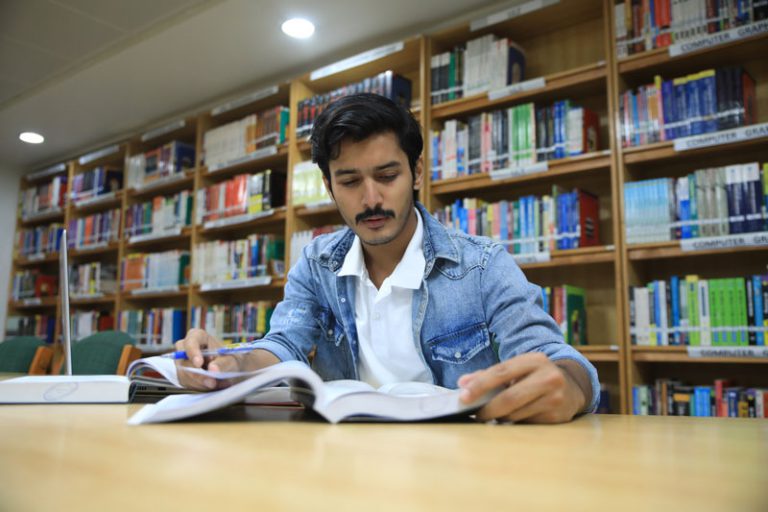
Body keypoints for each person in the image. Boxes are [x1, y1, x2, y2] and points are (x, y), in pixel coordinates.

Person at [176, 93, 599, 423]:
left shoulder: (483, 266)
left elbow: (556, 359)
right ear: (328, 186)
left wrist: (569, 385)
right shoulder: (316, 265)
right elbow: (285, 343)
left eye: (387, 175)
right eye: (349, 181)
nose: (371, 199)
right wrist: (230, 364)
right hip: (347, 464)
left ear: (416, 173)